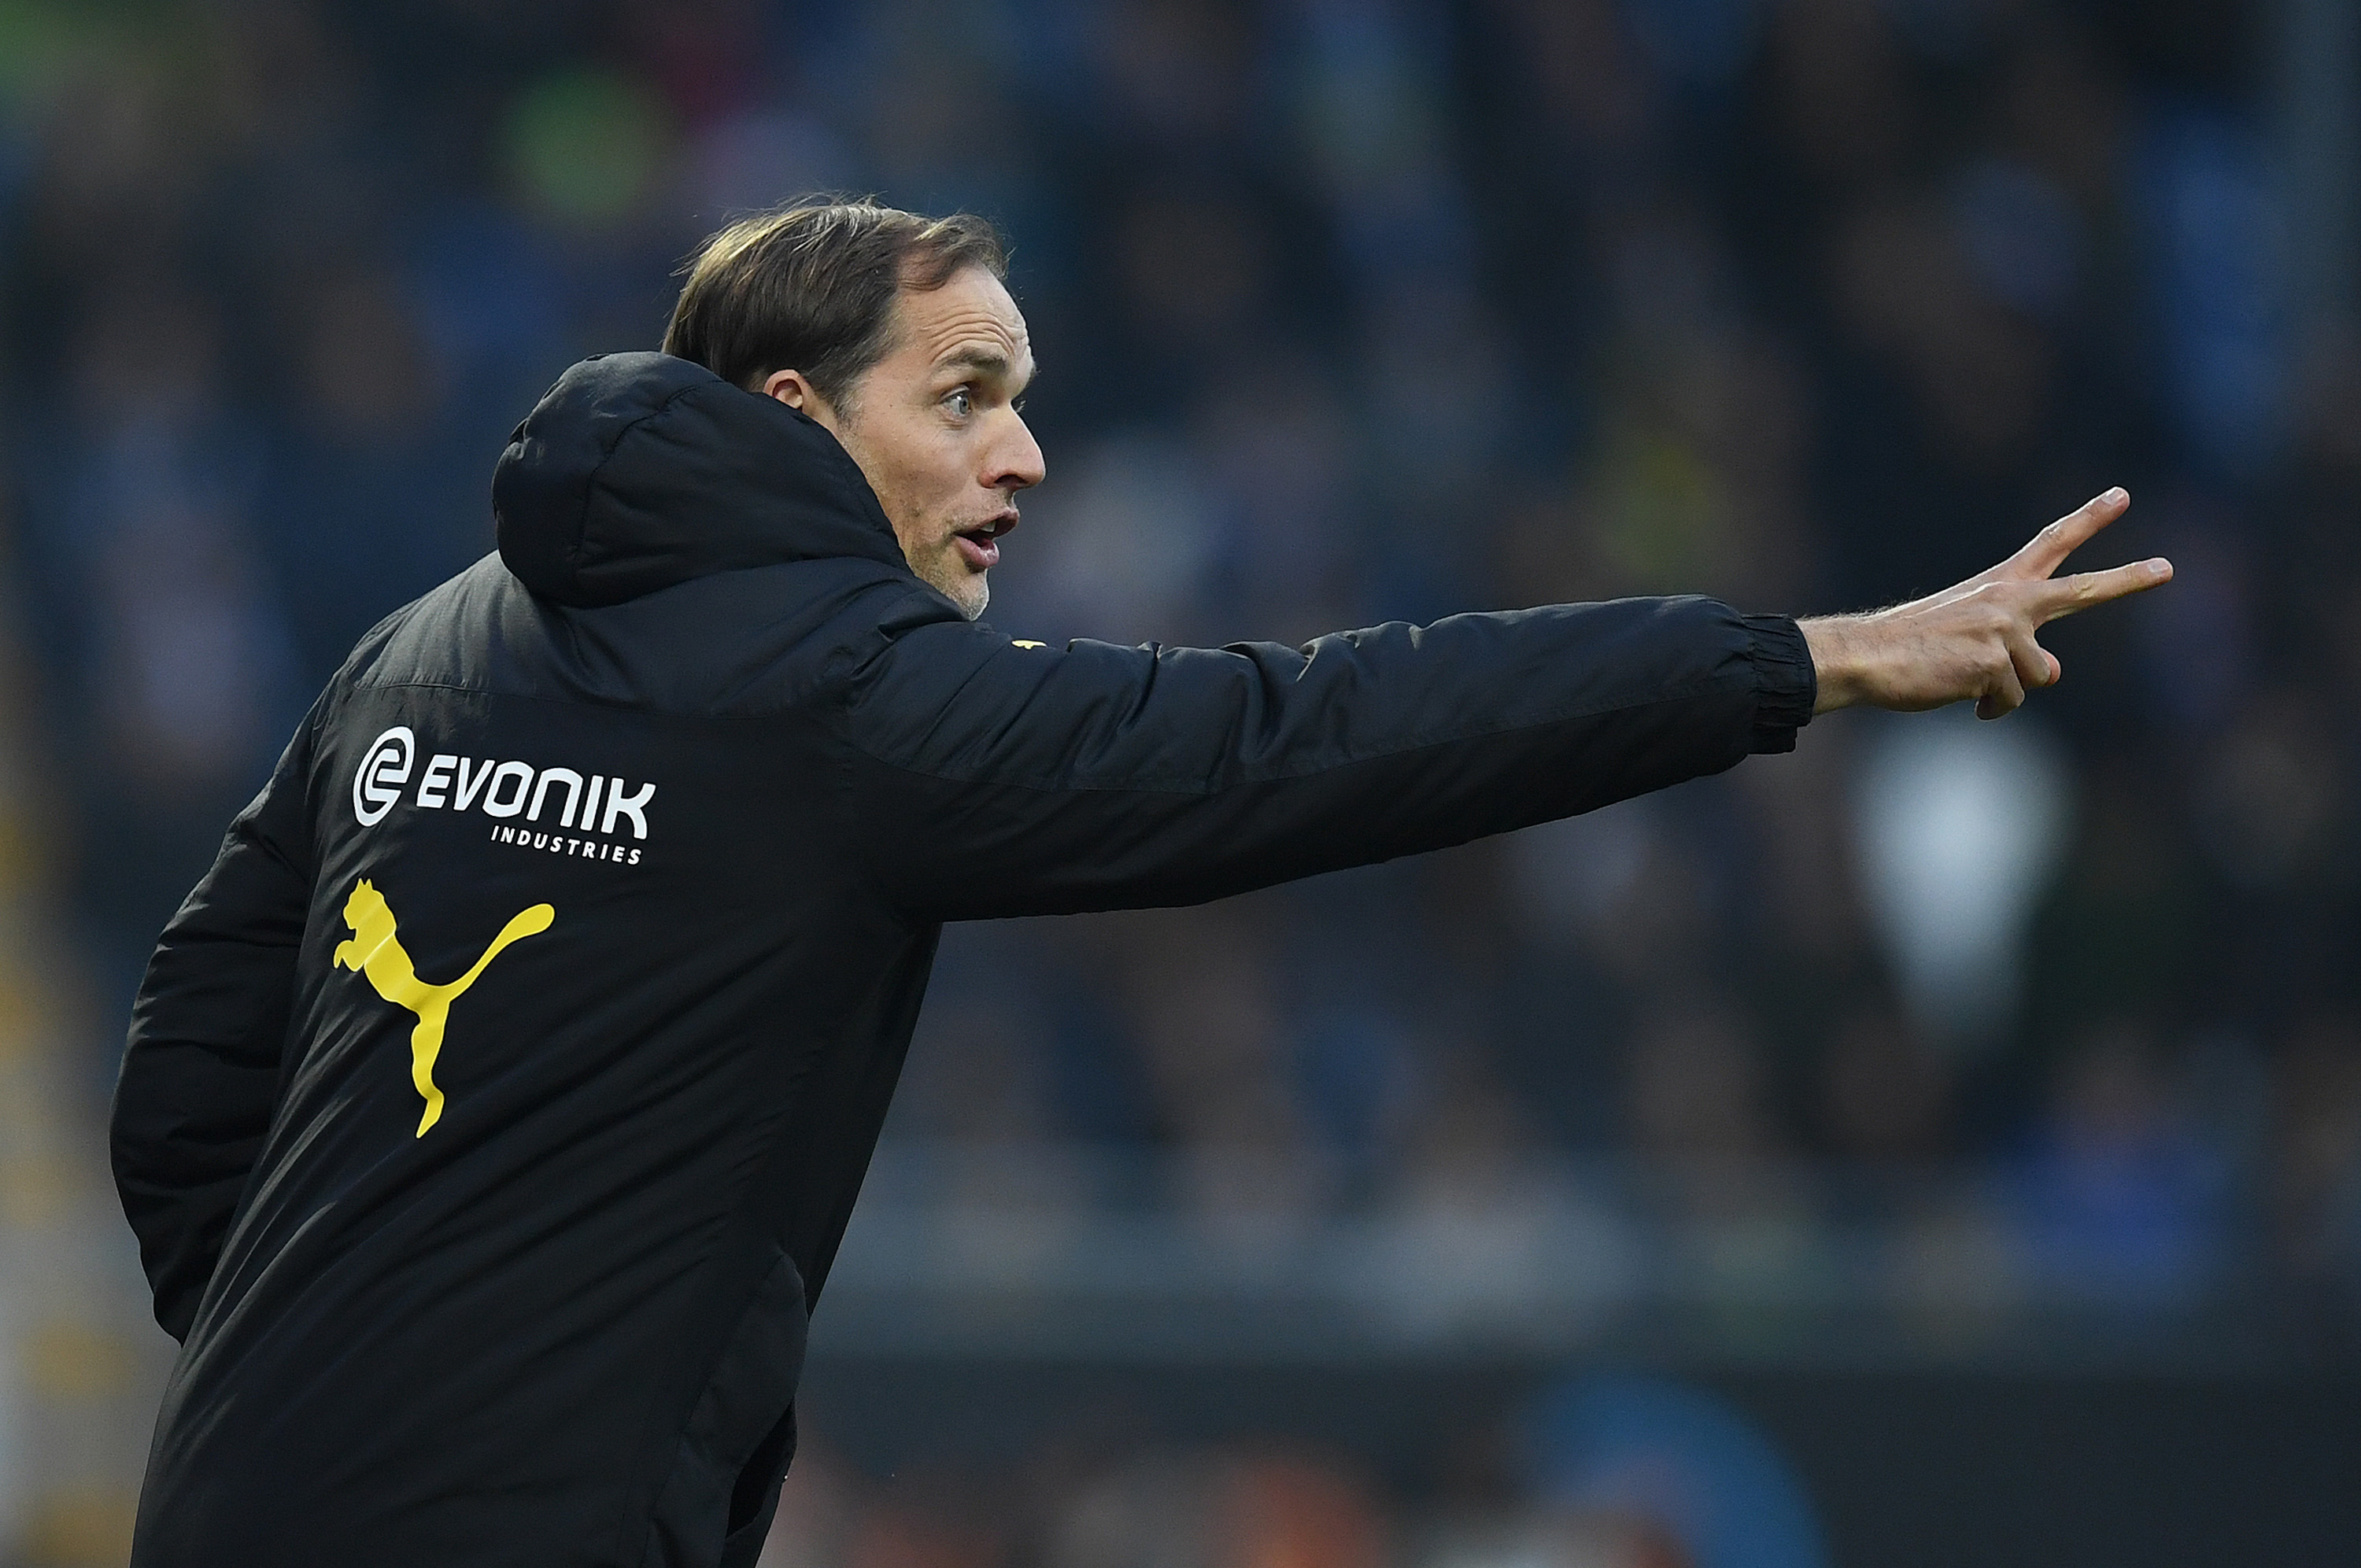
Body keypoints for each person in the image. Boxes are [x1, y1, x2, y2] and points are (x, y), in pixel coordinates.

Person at [109, 201, 2169, 1567]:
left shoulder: (426, 639)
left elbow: (186, 1079)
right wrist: (1790, 656)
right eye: (967, 396)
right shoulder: (854, 706)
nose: (1023, 458)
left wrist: (343, 1365)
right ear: (796, 413)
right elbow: (1311, 738)